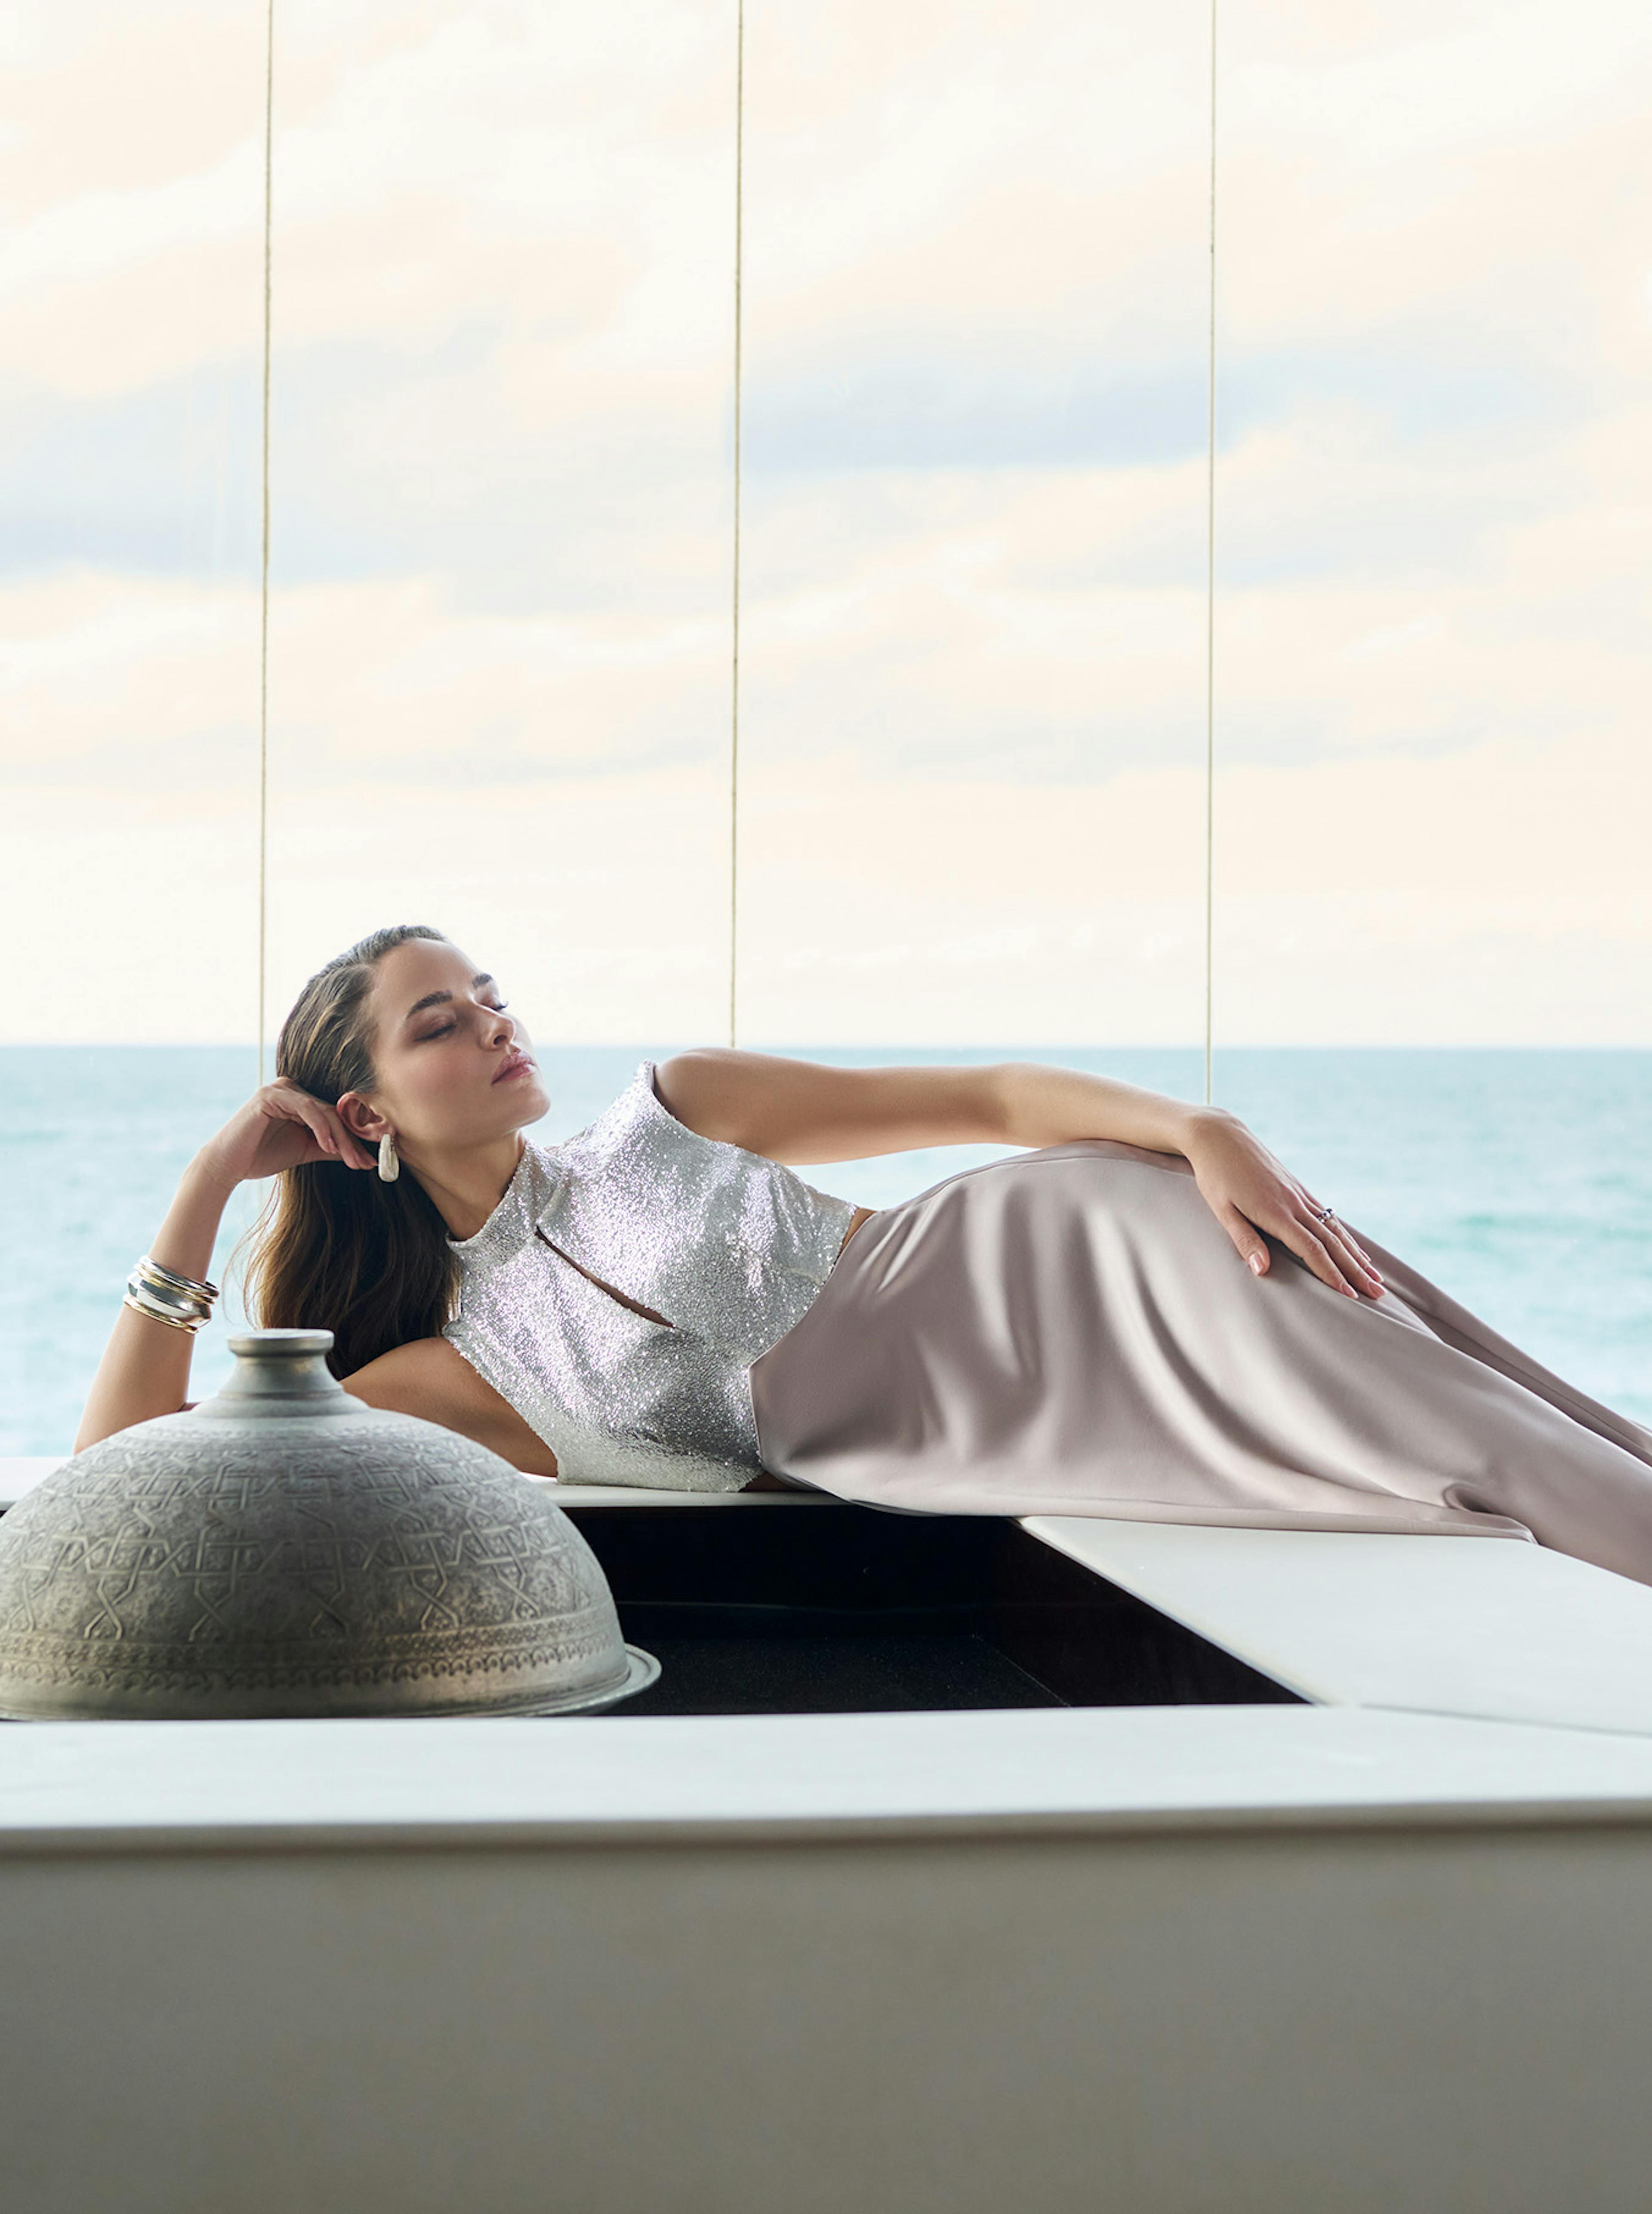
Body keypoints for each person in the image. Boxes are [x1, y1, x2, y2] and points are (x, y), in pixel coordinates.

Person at [79, 924, 1652, 1584]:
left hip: (1081, 1252)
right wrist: (212, 1182)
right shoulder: (445, 1371)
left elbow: (977, 1098)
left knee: (1477, 1431)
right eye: (440, 1020)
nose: (492, 1022)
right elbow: (122, 1475)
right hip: (1013, 1433)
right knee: (1441, 1468)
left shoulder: (670, 1107)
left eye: (488, 992)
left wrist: (1195, 1129)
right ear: (363, 1109)